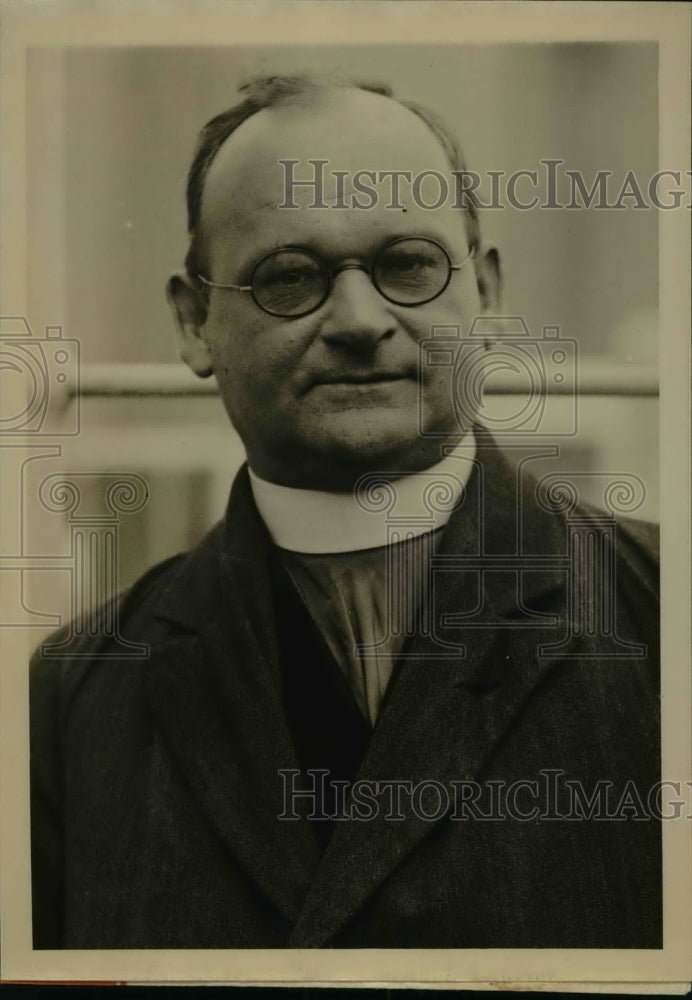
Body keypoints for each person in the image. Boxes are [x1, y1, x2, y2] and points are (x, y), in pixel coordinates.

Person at [30, 74, 661, 950]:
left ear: (485, 291)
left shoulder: (667, 617)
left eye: (408, 265)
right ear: (192, 323)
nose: (362, 320)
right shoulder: (69, 700)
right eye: (290, 278)